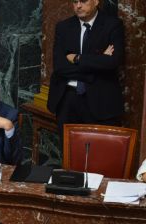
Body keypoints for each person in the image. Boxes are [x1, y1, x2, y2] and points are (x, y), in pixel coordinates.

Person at [47, 0, 124, 140]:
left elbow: (112, 62)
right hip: (67, 101)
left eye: (83, 1)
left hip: (101, 101)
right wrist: (98, 61)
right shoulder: (63, 27)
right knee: (70, 155)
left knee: (99, 156)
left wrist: (77, 59)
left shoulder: (112, 25)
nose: (78, 6)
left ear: (95, 1)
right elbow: (60, 67)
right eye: (75, 1)